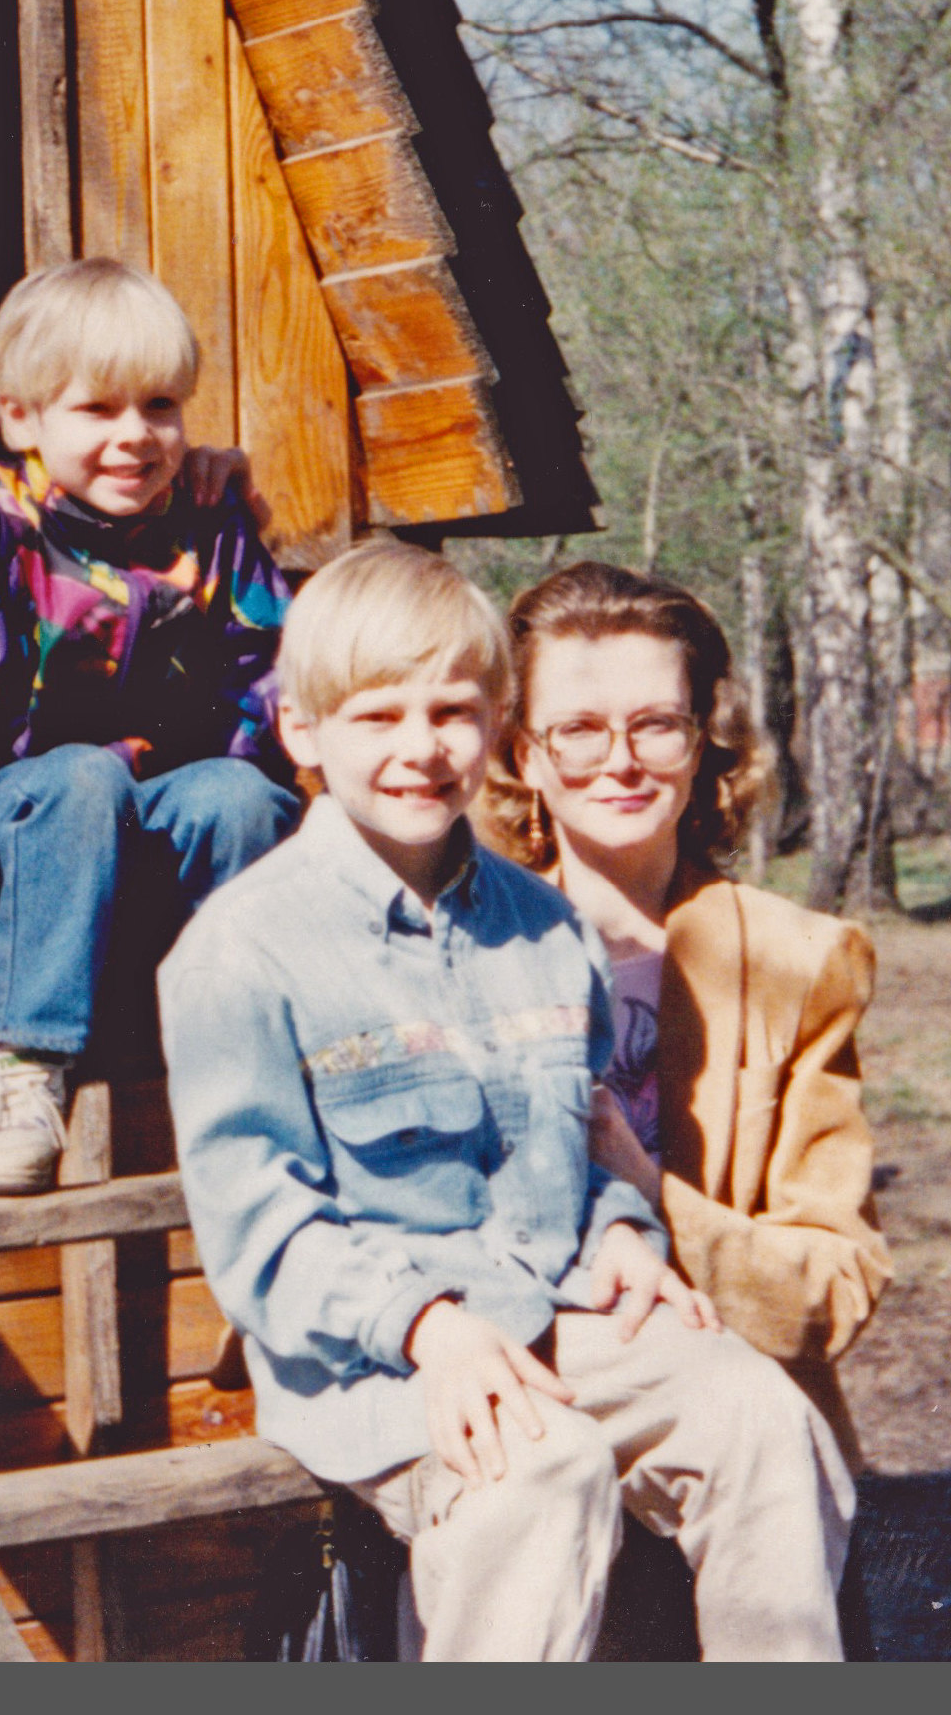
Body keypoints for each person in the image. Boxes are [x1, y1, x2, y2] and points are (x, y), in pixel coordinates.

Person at [161, 541, 854, 1661]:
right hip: (376, 1351)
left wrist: (625, 1233)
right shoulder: (242, 949)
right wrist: (430, 1327)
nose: (419, 747)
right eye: (378, 715)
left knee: (759, 1412)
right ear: (300, 730)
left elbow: (567, 1150)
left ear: (497, 728)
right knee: (543, 1466)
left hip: (547, 1303)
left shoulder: (541, 927)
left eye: (453, 711)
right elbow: (260, 1233)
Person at [0, 259, 300, 1197]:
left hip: (143, 851)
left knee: (239, 794)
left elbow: (271, 676)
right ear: (19, 417)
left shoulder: (204, 524)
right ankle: (25, 1073)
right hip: (9, 844)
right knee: (79, 775)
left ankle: (248, 1067)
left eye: (159, 406)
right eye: (97, 411)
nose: (135, 437)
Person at [479, 561, 888, 1471]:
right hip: (531, 1425)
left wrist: (650, 1189)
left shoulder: (795, 962)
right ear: (521, 754)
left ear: (703, 742)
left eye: (657, 725)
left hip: (745, 1441)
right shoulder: (464, 952)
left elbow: (836, 1286)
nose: (620, 762)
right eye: (578, 731)